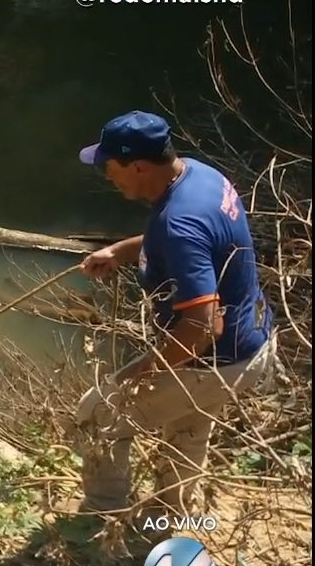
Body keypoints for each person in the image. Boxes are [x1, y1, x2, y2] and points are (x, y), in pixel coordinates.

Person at [68, 110, 276, 519]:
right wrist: (121, 251)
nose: (108, 176)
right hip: (251, 341)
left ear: (139, 165)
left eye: (110, 167)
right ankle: (170, 513)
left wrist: (145, 369)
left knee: (99, 413)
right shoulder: (200, 176)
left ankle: (101, 516)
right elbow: (195, 237)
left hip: (217, 357)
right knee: (187, 431)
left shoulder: (180, 221)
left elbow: (202, 325)